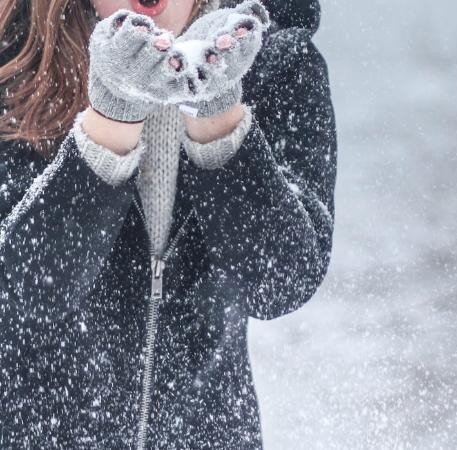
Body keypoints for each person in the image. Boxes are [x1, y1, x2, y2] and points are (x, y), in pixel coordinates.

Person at [0, 0, 336, 447]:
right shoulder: (15, 60)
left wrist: (218, 117)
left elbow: (281, 283)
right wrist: (111, 122)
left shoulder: (276, 61)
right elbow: (21, 293)